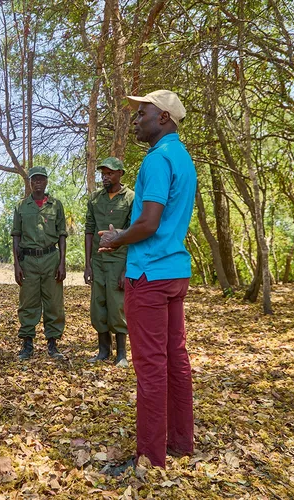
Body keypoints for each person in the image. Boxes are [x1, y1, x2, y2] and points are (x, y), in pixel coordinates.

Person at [99, 90, 197, 468]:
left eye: (144, 113)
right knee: (175, 359)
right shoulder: (183, 158)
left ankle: (150, 457)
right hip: (175, 272)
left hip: (150, 275)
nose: (136, 119)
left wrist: (115, 238)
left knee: (151, 367)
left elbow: (149, 223)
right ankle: (180, 442)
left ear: (165, 119)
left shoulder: (158, 159)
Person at [11, 166, 68, 360]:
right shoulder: (21, 206)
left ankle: (53, 343)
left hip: (51, 257)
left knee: (53, 302)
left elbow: (62, 235)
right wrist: (16, 265)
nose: (38, 183)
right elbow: (16, 236)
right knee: (28, 301)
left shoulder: (56, 205)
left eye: (41, 179)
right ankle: (27, 343)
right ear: (29, 182)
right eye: (34, 180)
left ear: (46, 182)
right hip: (28, 260)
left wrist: (62, 262)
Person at [84, 157, 134, 367]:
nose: (105, 177)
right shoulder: (95, 199)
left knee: (117, 305)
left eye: (110, 173)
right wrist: (87, 264)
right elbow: (89, 231)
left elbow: (134, 234)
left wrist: (127, 269)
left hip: (119, 260)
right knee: (98, 305)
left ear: (120, 174)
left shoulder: (131, 198)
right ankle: (103, 350)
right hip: (98, 261)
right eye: (103, 173)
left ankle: (121, 353)